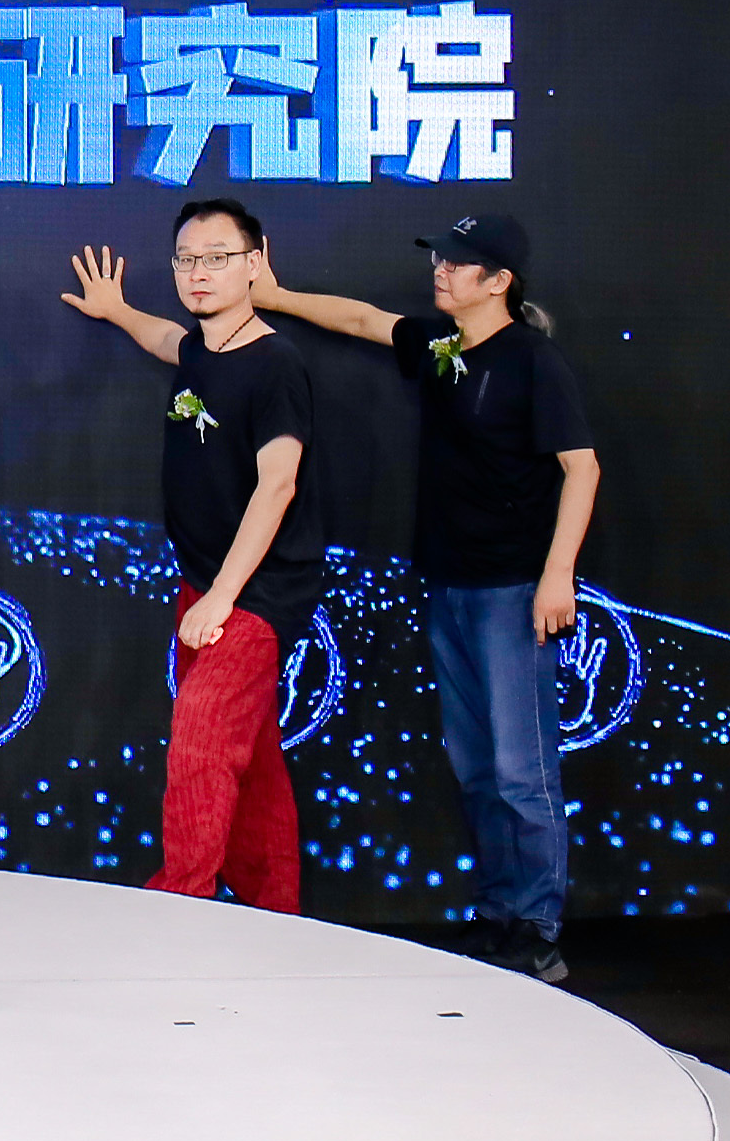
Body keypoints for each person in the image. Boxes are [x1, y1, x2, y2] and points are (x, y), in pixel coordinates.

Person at [250, 207, 601, 982]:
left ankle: (537, 926)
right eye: (438, 257)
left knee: (521, 770)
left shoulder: (532, 360)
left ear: (498, 281)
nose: (439, 269)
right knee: (474, 764)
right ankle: (498, 913)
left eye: (456, 261)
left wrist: (557, 574)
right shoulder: (442, 346)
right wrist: (273, 297)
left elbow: (581, 467)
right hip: (449, 584)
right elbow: (363, 320)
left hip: (514, 590)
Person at [64, 197, 325, 914]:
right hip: (205, 583)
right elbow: (167, 340)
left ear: (255, 262)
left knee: (202, 740)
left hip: (256, 591)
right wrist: (117, 310)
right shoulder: (202, 350)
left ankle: (180, 904)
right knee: (254, 759)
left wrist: (223, 599)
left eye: (217, 258)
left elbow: (278, 484)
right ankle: (275, 910)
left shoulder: (276, 363)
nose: (199, 272)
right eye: (186, 260)